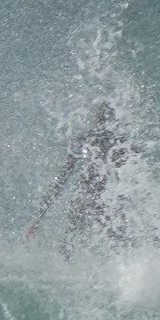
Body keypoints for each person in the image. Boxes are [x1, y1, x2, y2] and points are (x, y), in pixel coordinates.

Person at [25, 100, 133, 248]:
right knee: (119, 238)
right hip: (106, 199)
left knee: (70, 239)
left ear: (95, 119)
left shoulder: (85, 140)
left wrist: (38, 218)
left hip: (85, 198)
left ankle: (67, 257)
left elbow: (61, 179)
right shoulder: (119, 143)